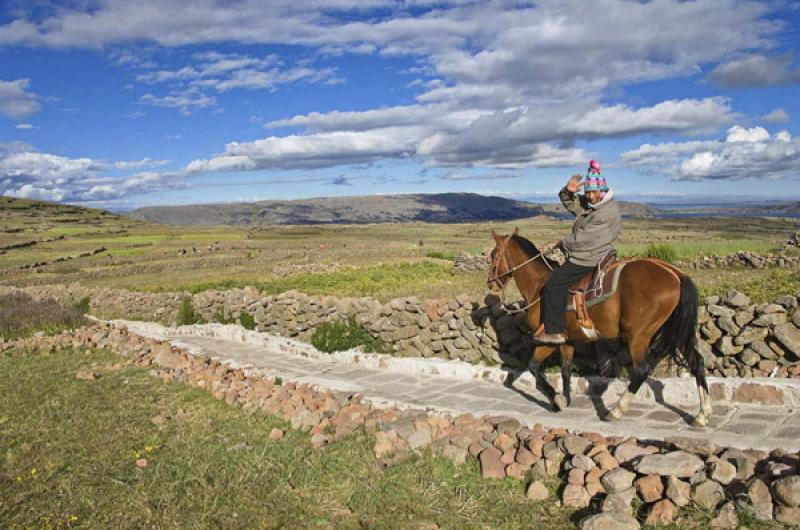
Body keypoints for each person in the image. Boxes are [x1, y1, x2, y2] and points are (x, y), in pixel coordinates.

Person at [534, 160, 622, 345]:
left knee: (554, 284)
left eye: (593, 193)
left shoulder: (605, 213)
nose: (589, 196)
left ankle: (555, 331)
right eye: (587, 192)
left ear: (602, 192)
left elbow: (585, 238)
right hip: (595, 252)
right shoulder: (594, 206)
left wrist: (560, 243)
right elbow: (572, 205)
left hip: (589, 255)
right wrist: (568, 191)